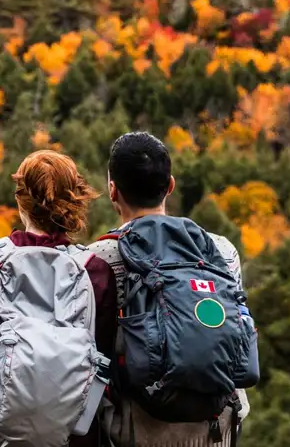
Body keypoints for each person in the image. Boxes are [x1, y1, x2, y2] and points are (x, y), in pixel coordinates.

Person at [94, 132, 251, 447]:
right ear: (170, 186)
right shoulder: (221, 250)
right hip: (216, 427)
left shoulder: (100, 258)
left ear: (112, 190)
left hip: (138, 427)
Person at [0, 149, 108, 447]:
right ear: (74, 202)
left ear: (20, 200)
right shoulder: (95, 271)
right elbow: (100, 363)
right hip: (71, 434)